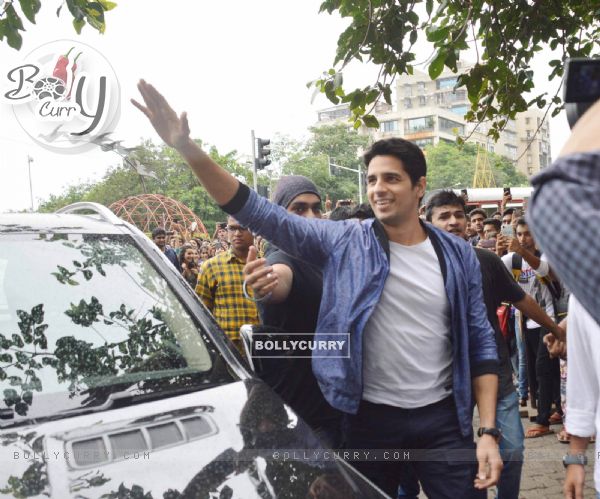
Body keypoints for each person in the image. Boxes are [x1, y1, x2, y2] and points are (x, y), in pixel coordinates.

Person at [132, 81, 502, 498]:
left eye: (392, 179)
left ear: (419, 187)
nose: (378, 188)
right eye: (372, 179)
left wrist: (487, 430)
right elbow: (259, 212)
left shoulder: (457, 255)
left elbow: (481, 341)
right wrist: (187, 149)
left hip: (442, 422)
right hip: (369, 423)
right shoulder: (345, 240)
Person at [426, 190, 565, 499]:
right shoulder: (420, 268)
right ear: (429, 223)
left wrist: (557, 329)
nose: (454, 222)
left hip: (496, 370)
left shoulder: (486, 260)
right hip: (446, 378)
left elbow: (522, 299)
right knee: (461, 457)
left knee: (512, 448)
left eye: (458, 215)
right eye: (444, 217)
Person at [242, 175, 342, 447]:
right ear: (279, 217)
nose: (310, 216)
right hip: (305, 421)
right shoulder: (281, 259)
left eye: (316, 208)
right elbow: (277, 280)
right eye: (298, 208)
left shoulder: (323, 259)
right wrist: (264, 285)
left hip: (337, 409)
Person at [498, 219, 562, 438]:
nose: (523, 239)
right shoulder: (511, 259)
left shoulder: (544, 256)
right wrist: (497, 255)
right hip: (525, 322)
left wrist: (522, 253)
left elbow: (544, 271)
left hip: (550, 320)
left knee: (544, 368)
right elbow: (497, 275)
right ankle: (559, 409)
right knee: (541, 371)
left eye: (528, 234)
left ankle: (543, 420)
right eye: (519, 234)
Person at [195, 215, 259, 352]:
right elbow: (201, 314)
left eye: (243, 228)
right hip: (227, 352)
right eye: (232, 228)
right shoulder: (211, 267)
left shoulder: (266, 266)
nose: (237, 234)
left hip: (262, 350)